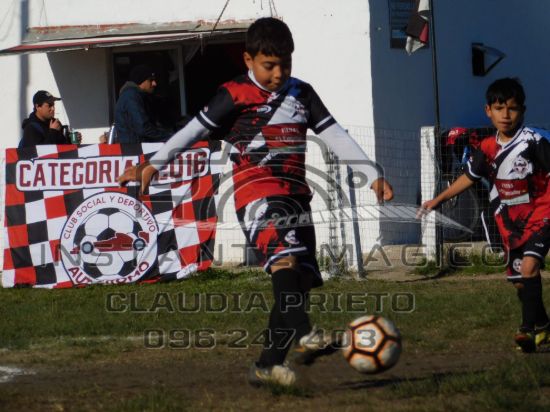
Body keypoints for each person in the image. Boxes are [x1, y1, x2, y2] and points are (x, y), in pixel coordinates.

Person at [118, 17, 393, 386]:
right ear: (248, 59)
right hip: (255, 193)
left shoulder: (302, 94)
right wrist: (153, 165)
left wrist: (371, 173)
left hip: (296, 197)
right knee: (285, 261)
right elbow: (193, 131)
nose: (278, 73)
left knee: (298, 281)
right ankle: (306, 334)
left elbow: (335, 134)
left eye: (285, 64)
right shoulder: (233, 93)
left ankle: (267, 366)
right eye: (269, 65)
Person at [420, 78, 550, 353]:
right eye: (499, 108)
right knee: (520, 282)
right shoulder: (488, 147)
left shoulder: (534, 141)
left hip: (541, 213)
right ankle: (543, 326)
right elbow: (469, 176)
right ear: (488, 111)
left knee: (529, 268)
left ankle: (526, 330)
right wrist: (438, 200)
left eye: (512, 108)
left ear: (522, 111)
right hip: (511, 221)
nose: (506, 115)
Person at [114, 64, 173, 143]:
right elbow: (143, 128)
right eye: (150, 80)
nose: (154, 83)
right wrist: (170, 137)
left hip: (135, 146)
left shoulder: (138, 96)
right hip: (134, 148)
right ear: (140, 81)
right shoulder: (131, 97)